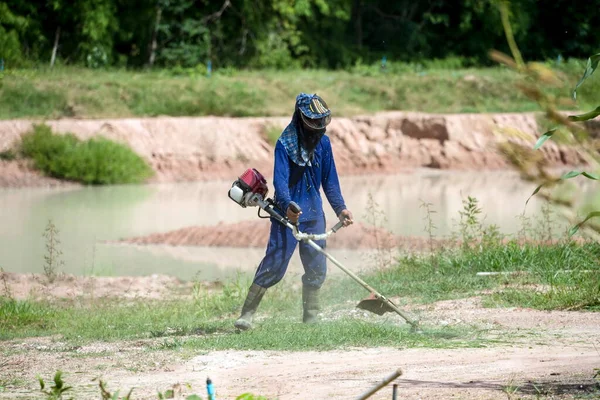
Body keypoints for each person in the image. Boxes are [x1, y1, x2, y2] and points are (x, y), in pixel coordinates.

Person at [234, 92, 353, 331]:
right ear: (301, 119)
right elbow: (281, 182)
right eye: (314, 122)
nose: (319, 127)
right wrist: (288, 206)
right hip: (286, 215)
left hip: (314, 215)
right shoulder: (284, 145)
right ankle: (246, 315)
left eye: (322, 122)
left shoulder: (324, 144)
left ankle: (310, 317)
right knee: (275, 265)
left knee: (317, 267)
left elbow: (330, 181)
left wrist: (341, 208)